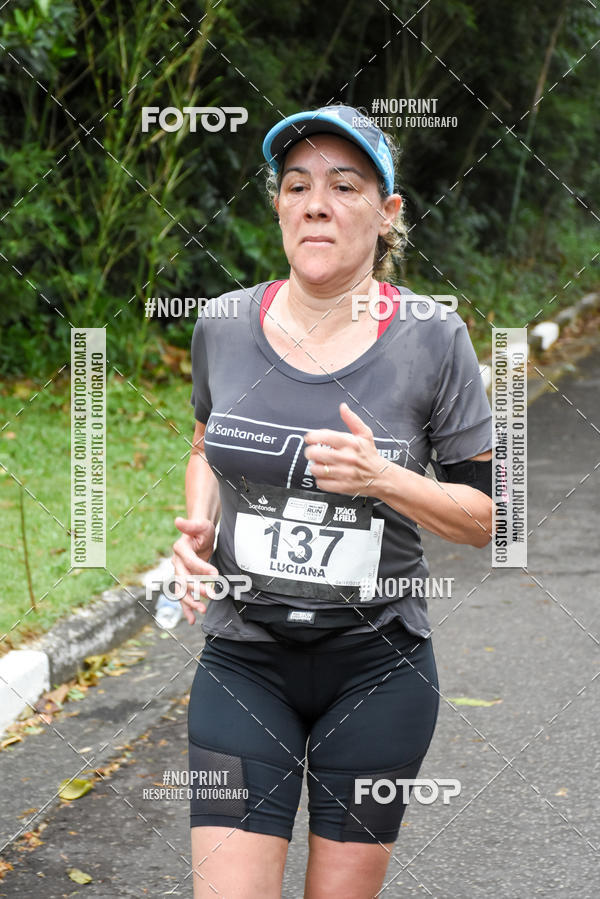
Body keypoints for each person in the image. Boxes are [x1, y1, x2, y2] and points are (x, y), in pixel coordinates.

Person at [172, 104, 494, 898]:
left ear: (387, 215)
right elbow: (206, 446)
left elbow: (488, 517)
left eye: (344, 184)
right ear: (279, 206)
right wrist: (199, 526)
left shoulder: (433, 335)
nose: (316, 201)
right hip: (243, 660)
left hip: (378, 669)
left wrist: (382, 476)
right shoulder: (222, 323)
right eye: (297, 184)